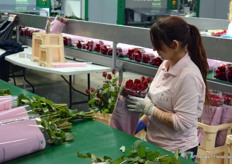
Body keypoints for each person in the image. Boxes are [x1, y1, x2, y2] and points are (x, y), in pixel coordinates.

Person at [127, 16, 209, 160]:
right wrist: (140, 123)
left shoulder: (188, 77)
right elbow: (156, 103)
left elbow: (182, 123)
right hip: (155, 145)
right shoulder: (165, 65)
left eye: (158, 45)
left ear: (174, 45)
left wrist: (150, 109)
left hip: (179, 152)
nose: (154, 49)